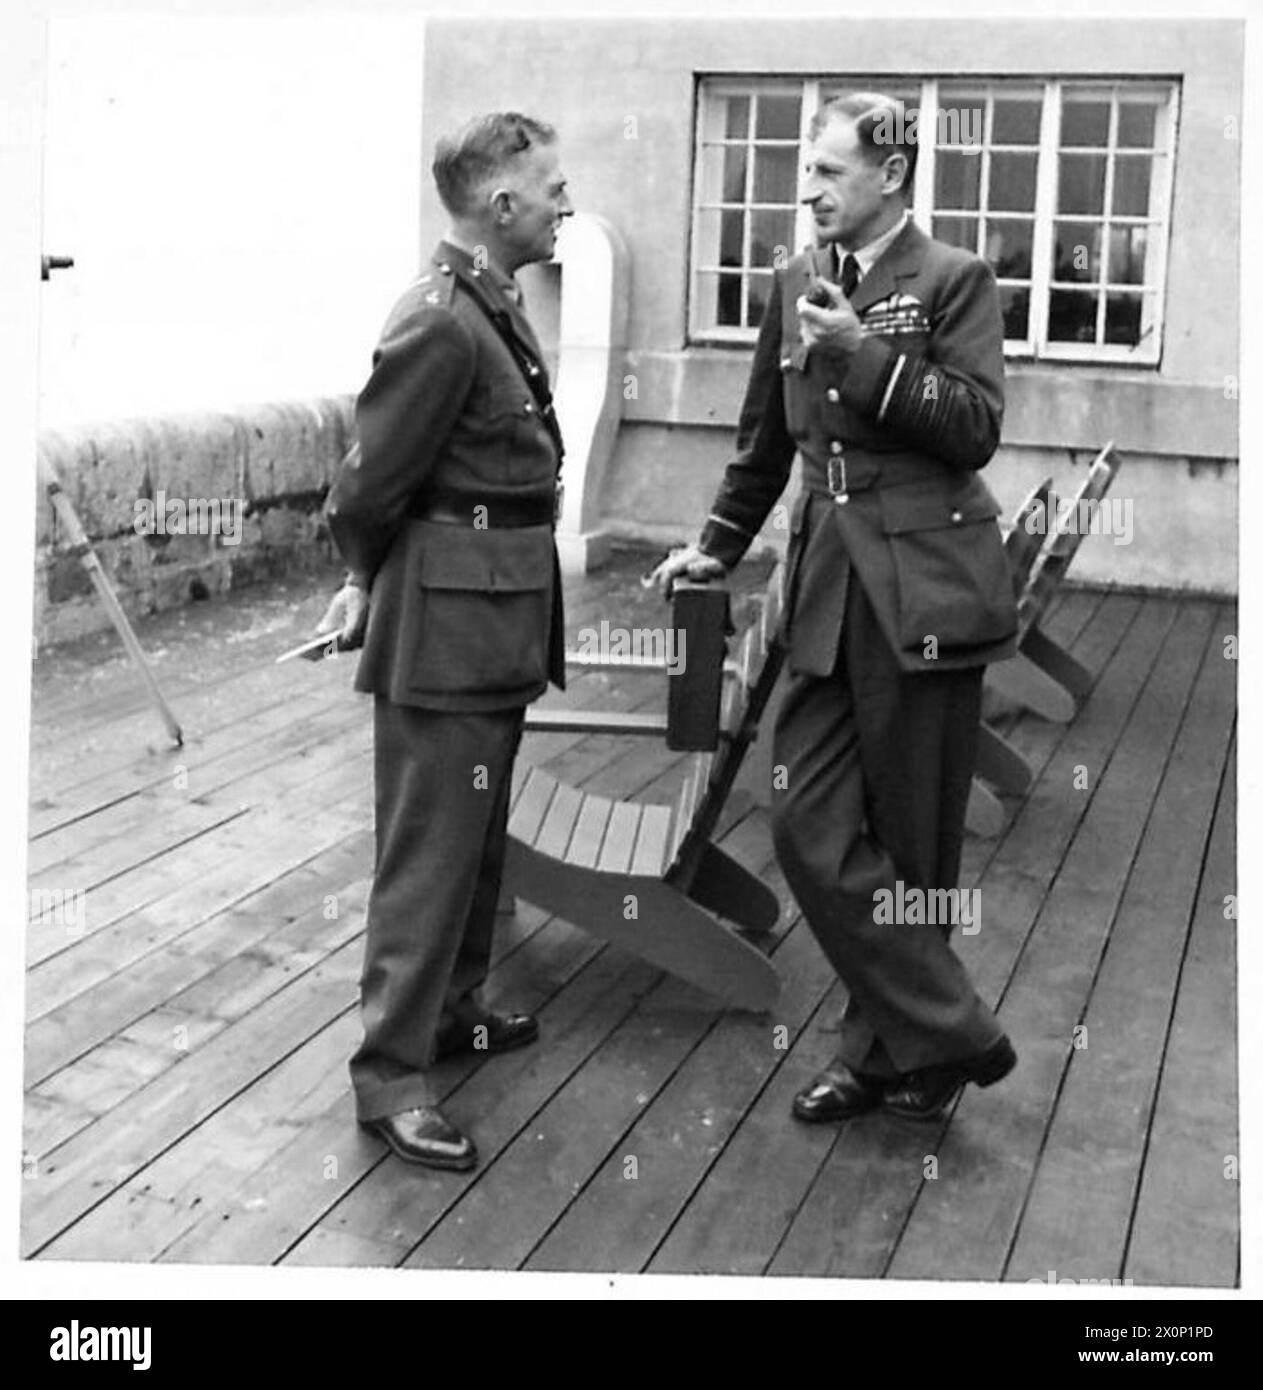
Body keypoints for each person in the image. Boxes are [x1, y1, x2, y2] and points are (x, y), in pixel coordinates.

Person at [652, 92, 1019, 1124]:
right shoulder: (791, 281)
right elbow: (766, 440)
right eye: (805, 170)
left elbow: (975, 427)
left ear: (890, 175)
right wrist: (715, 547)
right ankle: (952, 1029)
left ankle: (889, 1056)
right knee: (804, 814)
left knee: (915, 842)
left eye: (828, 170)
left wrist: (865, 353)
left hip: (924, 587)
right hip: (821, 584)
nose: (806, 187)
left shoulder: (953, 282)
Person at [318, 112, 573, 1170]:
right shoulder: (439, 320)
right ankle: (391, 1075)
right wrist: (359, 578)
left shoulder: (489, 303)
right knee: (428, 856)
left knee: (476, 841)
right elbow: (370, 483)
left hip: (496, 613)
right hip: (447, 626)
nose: (566, 202)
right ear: (500, 206)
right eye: (552, 188)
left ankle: (456, 1008)